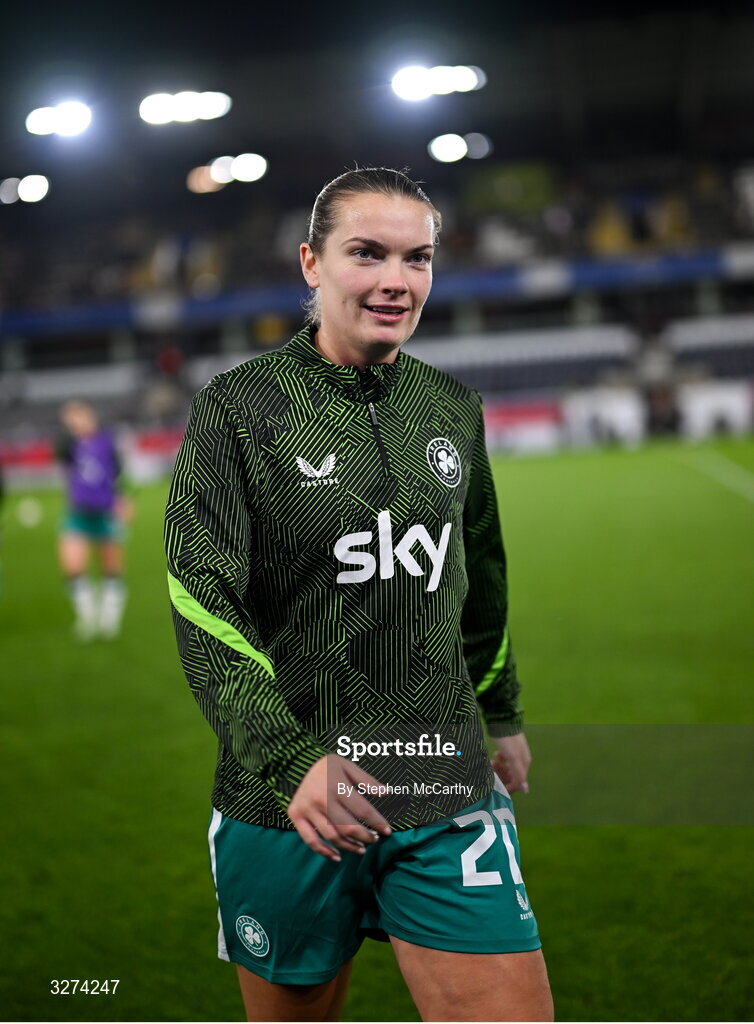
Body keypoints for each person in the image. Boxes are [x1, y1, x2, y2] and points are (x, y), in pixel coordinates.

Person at [165, 167, 553, 1022]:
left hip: (442, 778)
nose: (395, 281)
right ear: (312, 262)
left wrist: (502, 712)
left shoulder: (451, 407)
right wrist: (290, 761)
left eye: (417, 259)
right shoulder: (237, 410)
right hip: (288, 802)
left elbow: (475, 577)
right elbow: (203, 602)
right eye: (366, 253)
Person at [57, 399, 129, 640]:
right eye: (73, 416)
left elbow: (119, 473)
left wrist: (124, 501)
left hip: (106, 512)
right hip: (78, 513)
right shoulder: (68, 444)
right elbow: (62, 460)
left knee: (111, 568)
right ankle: (87, 618)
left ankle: (109, 620)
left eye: (82, 414)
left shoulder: (108, 441)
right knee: (73, 567)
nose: (78, 420)